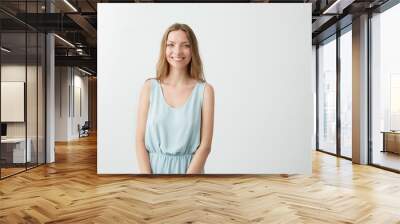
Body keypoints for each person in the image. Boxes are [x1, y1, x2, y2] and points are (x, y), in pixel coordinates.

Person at [135, 23, 215, 174]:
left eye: (185, 45)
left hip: (191, 174)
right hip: (152, 173)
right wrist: (147, 179)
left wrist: (185, 183)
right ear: (164, 49)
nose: (177, 51)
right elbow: (139, 140)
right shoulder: (149, 87)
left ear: (193, 51)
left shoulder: (205, 91)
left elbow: (205, 146)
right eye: (171, 45)